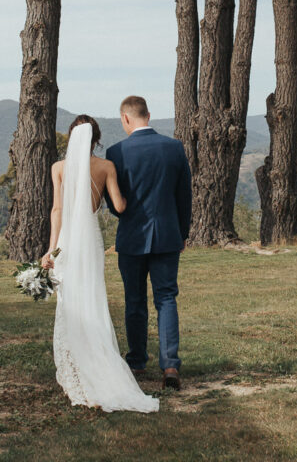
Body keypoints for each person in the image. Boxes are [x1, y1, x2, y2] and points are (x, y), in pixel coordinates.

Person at [41, 115, 159, 413]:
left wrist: (51, 250)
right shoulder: (106, 167)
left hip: (67, 240)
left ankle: (76, 364)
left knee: (70, 299)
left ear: (72, 137)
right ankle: (98, 359)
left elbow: (57, 210)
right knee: (92, 295)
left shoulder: (58, 168)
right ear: (96, 139)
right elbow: (119, 205)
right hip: (91, 239)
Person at [104, 95, 192, 390]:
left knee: (135, 300)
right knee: (166, 298)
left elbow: (114, 203)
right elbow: (184, 196)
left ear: (125, 118)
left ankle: (137, 361)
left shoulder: (116, 152)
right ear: (148, 115)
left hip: (131, 237)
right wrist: (182, 233)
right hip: (167, 235)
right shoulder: (174, 147)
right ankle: (170, 365)